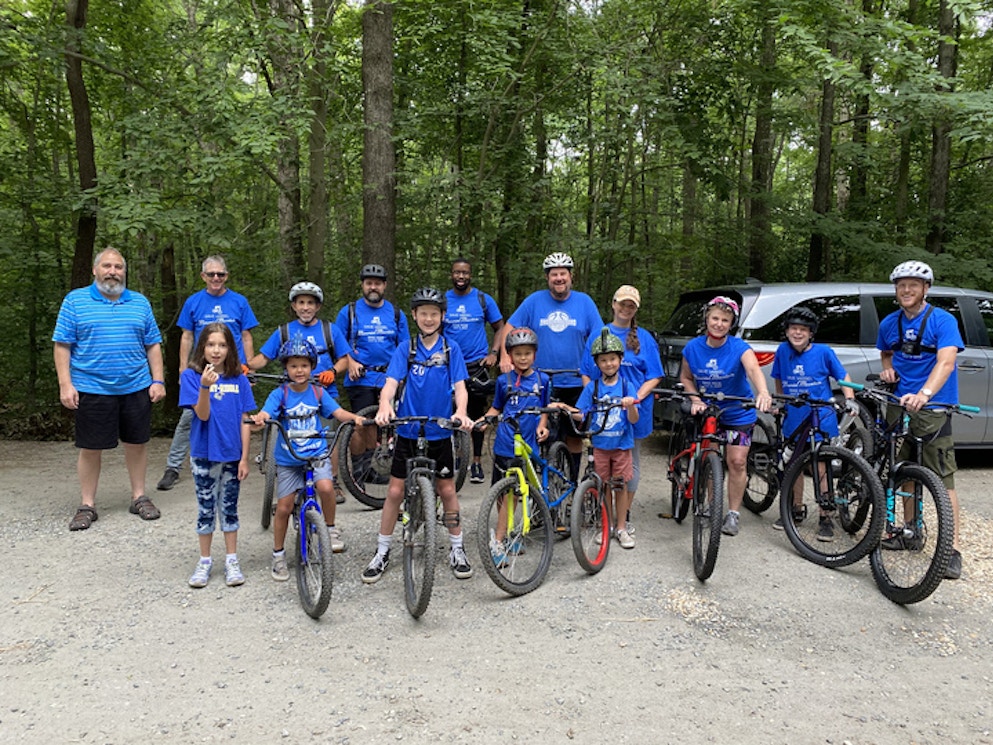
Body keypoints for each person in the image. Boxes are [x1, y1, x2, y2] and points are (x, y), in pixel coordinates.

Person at [361, 288, 473, 584]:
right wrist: (385, 405)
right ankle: (382, 551)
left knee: (447, 491)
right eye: (423, 313)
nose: (428, 318)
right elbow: (390, 384)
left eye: (434, 313)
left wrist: (461, 412)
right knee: (395, 492)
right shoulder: (406, 348)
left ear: (442, 317)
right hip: (408, 430)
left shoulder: (451, 349)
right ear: (414, 315)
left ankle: (457, 549)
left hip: (439, 431)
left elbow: (460, 388)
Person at [54, 248, 167, 531]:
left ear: (124, 271)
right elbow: (62, 345)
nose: (113, 271)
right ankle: (87, 504)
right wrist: (65, 384)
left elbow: (153, 344)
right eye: (107, 266)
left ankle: (139, 497)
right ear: (95, 270)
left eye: (118, 267)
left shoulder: (140, 303)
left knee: (137, 443)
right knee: (90, 447)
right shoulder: (75, 301)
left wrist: (158, 380)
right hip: (91, 387)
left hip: (136, 385)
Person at [876, 260, 965, 580]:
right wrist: (888, 368)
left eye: (914, 284)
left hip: (932, 406)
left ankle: (952, 550)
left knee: (942, 477)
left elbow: (946, 362)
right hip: (898, 403)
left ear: (926, 288)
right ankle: (910, 532)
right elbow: (887, 352)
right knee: (903, 471)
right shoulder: (889, 322)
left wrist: (925, 394)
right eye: (901, 285)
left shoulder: (943, 320)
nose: (907, 290)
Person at [251, 337, 365, 578]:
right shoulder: (279, 394)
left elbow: (337, 412)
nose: (299, 370)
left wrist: (354, 418)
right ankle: (278, 554)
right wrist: (260, 418)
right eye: (293, 366)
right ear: (285, 368)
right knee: (283, 507)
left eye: (303, 365)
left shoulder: (318, 392)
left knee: (326, 488)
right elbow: (266, 412)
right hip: (289, 459)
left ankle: (330, 529)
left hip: (316, 455)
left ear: (312, 366)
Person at [157, 256, 258, 491]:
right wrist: (183, 369)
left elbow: (246, 336)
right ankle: (173, 467)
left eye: (220, 274)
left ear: (226, 276)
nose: (216, 278)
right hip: (201, 369)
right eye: (211, 274)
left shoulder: (239, 302)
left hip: (233, 370)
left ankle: (235, 461)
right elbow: (187, 336)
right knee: (188, 418)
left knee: (237, 416)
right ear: (203, 276)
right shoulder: (193, 302)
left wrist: (249, 369)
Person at [679, 296, 772, 536]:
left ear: (731, 324)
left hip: (737, 412)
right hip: (708, 412)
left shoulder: (739, 347)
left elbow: (753, 370)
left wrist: (762, 392)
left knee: (737, 462)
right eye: (715, 318)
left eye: (725, 320)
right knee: (710, 458)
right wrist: (695, 399)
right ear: (707, 320)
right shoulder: (692, 348)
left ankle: (733, 513)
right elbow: (686, 378)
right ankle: (712, 504)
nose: (719, 324)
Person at [501, 252, 602, 473]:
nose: (559, 278)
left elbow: (598, 338)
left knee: (574, 435)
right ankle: (542, 485)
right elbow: (509, 328)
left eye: (563, 274)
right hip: (540, 381)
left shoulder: (584, 302)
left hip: (575, 380)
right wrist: (504, 358)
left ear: (571, 276)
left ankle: (573, 481)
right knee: (540, 431)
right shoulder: (534, 301)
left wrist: (598, 370)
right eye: (554, 274)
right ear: (548, 278)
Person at [580, 285, 662, 534]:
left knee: (630, 463)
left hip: (634, 409)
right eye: (622, 303)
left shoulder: (644, 338)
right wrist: (593, 401)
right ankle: (607, 517)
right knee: (604, 462)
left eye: (631, 305)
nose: (625, 309)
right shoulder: (599, 334)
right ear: (613, 304)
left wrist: (634, 398)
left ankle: (622, 516)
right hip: (605, 411)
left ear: (636, 309)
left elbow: (655, 375)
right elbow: (586, 372)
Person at [770, 306, 858, 539]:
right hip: (794, 417)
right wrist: (780, 402)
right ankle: (796, 509)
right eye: (793, 329)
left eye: (803, 330)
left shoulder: (823, 352)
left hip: (821, 417)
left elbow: (843, 376)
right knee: (794, 464)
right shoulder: (782, 351)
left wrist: (850, 399)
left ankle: (825, 516)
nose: (797, 333)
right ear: (787, 331)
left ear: (811, 333)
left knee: (821, 466)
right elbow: (779, 379)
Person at [180, 323, 256, 588]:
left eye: (222, 345)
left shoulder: (240, 379)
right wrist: (204, 387)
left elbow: (246, 420)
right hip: (203, 453)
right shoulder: (192, 376)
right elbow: (201, 415)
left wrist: (245, 457)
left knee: (229, 508)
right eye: (211, 344)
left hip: (232, 455)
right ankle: (204, 560)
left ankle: (232, 560)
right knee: (206, 508)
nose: (216, 350)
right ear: (202, 347)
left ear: (230, 349)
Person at [476, 328, 551, 565]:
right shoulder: (503, 381)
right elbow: (496, 407)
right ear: (510, 354)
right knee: (503, 492)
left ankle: (508, 532)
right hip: (506, 444)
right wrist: (483, 421)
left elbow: (545, 408)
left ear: (535, 354)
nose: (523, 358)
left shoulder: (543, 380)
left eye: (527, 353)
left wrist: (543, 425)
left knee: (520, 491)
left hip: (529, 444)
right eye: (518, 354)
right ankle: (499, 538)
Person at [333, 264, 410, 486]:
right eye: (369, 283)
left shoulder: (396, 314)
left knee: (387, 422)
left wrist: (400, 374)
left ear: (384, 285)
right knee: (362, 424)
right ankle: (360, 470)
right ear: (363, 285)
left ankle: (375, 467)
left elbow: (404, 347)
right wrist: (351, 361)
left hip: (389, 377)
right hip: (361, 378)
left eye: (377, 283)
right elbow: (338, 343)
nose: (373, 287)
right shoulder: (349, 311)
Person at [571, 330, 640, 548]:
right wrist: (564, 408)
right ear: (597, 363)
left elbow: (634, 419)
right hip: (599, 446)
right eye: (603, 360)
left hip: (621, 445)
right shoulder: (593, 387)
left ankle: (621, 527)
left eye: (612, 359)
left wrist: (630, 405)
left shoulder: (627, 386)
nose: (608, 364)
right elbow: (581, 413)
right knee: (603, 488)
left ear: (620, 359)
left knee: (619, 486)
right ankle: (606, 525)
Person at [443, 257, 505, 483]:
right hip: (450, 365)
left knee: (478, 415)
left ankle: (476, 462)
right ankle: (458, 456)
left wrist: (494, 353)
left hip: (478, 365)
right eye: (457, 272)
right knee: (450, 411)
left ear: (470, 275)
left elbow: (500, 327)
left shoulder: (482, 299)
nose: (461, 276)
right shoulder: (443, 300)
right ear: (452, 274)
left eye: (465, 273)